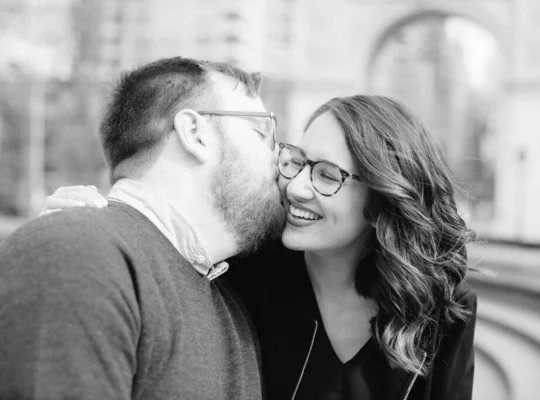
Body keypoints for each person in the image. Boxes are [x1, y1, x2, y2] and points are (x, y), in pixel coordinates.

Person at [40, 95, 477, 400]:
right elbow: (162, 247)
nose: (297, 187)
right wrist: (93, 222)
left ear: (383, 195)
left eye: (327, 175)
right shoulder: (246, 269)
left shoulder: (440, 304)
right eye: (297, 162)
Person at [0, 57, 285, 399]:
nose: (278, 155)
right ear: (196, 134)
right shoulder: (77, 254)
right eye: (261, 132)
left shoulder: (229, 300)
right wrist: (64, 244)